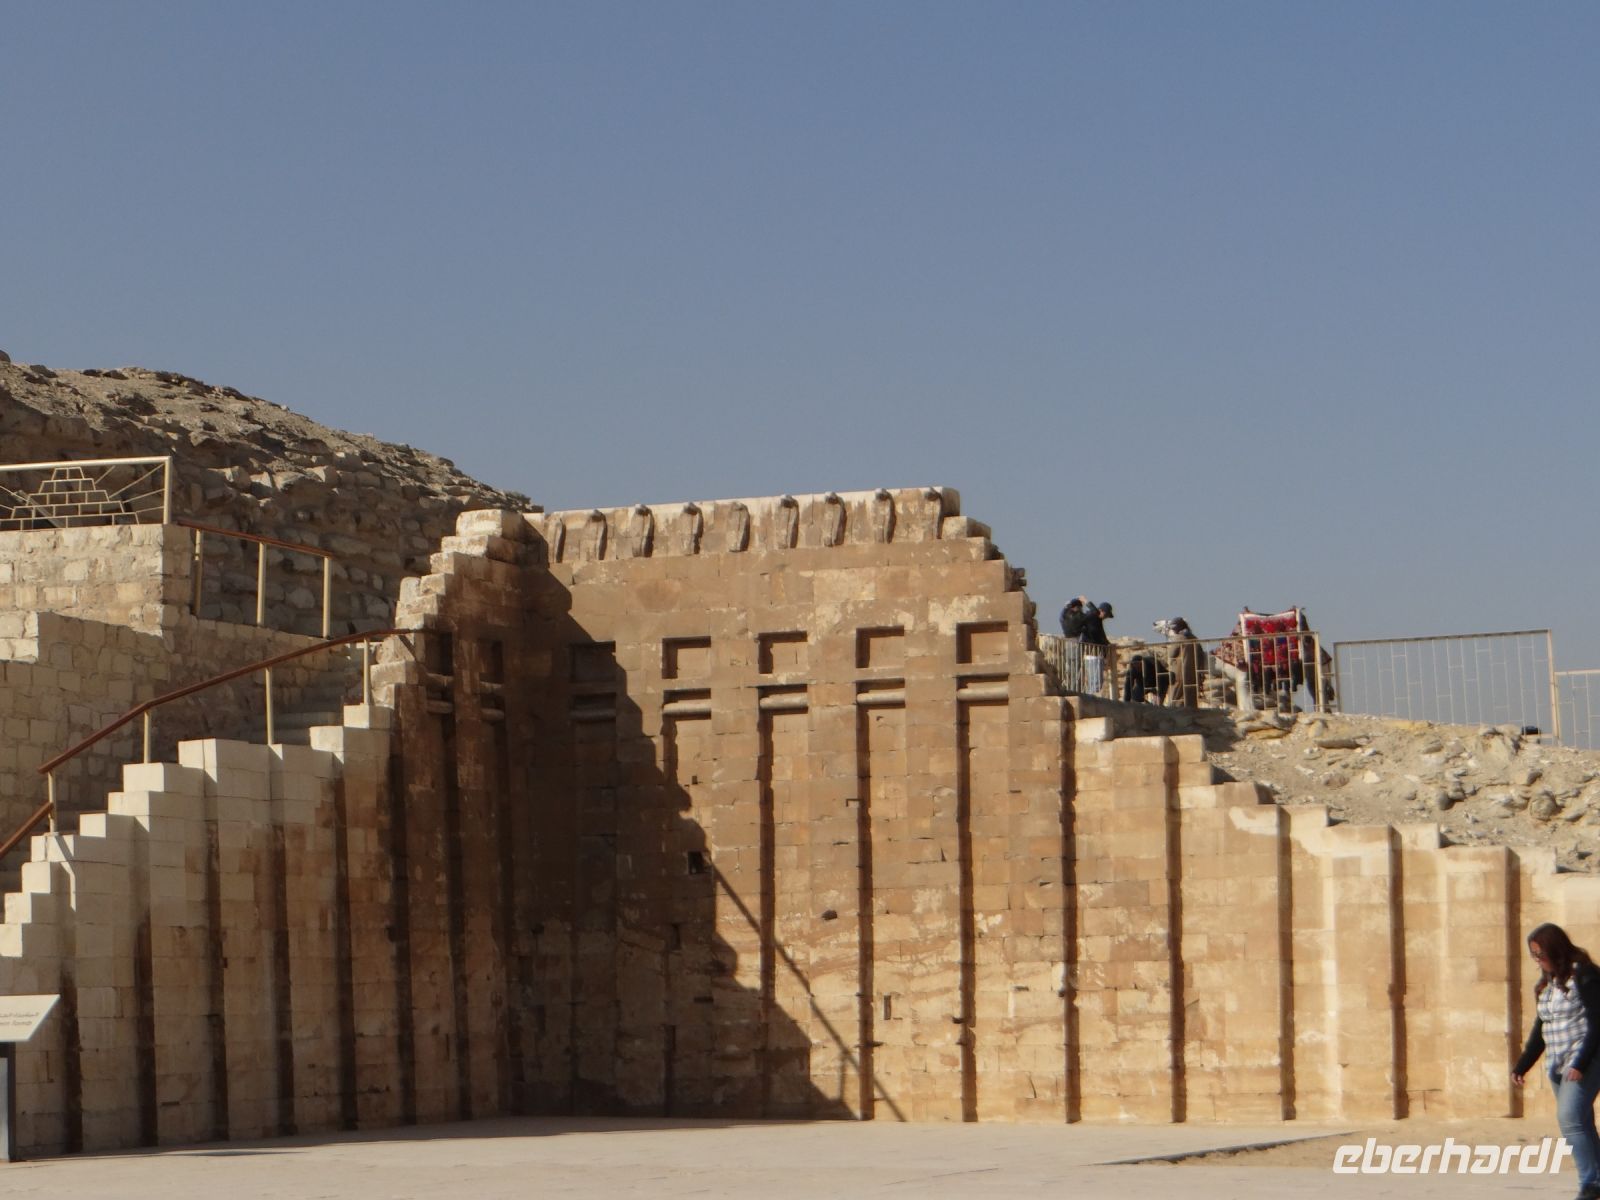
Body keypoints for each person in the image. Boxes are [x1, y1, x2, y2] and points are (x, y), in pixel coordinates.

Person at [1513, 923, 1600, 1200]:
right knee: (1581, 1122)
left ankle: (1591, 1182)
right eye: (1534, 955)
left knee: (1570, 1118)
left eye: (1540, 954)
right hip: (1558, 1064)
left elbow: (1598, 1022)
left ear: (1556, 950)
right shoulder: (1549, 984)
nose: (1538, 960)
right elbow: (1541, 1029)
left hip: (1585, 1059)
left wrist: (1581, 1063)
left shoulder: (1584, 975)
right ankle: (1595, 1179)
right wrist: (1522, 1065)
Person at [1079, 601, 1112, 697]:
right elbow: (1095, 634)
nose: (1105, 617)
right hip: (1093, 653)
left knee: (1096, 680)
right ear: (1102, 611)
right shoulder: (1093, 618)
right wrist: (1104, 643)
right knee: (1095, 680)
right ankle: (1092, 699)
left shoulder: (1096, 619)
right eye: (1106, 614)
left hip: (1095, 653)